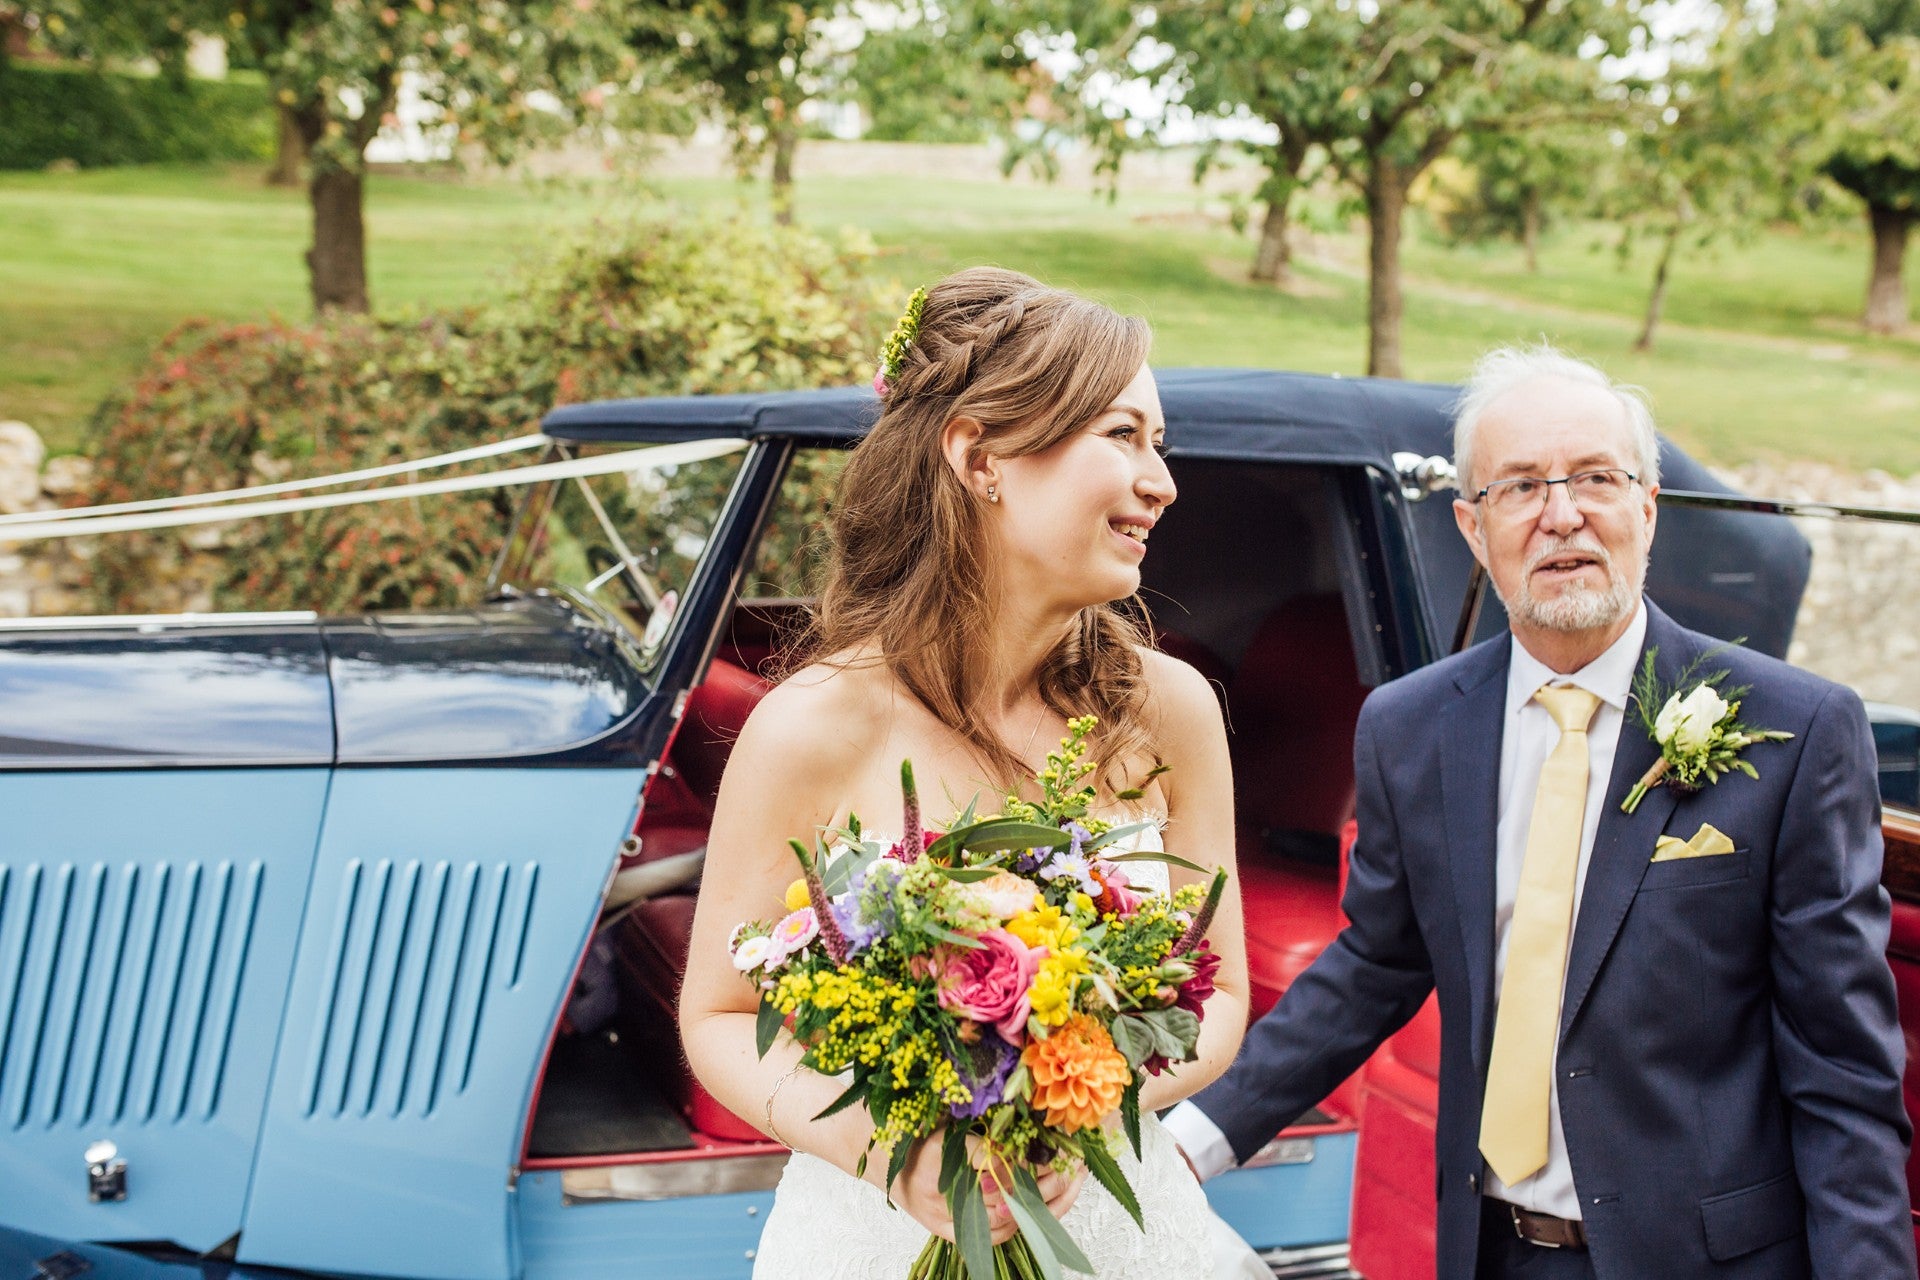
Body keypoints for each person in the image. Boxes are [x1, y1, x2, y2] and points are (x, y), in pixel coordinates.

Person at [1165, 343, 1915, 1279]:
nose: (1563, 515)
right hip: (1492, 1252)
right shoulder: (1409, 729)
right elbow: (1373, 966)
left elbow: (1842, 1075)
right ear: (1472, 530)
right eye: (1520, 488)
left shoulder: (1797, 729)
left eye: (1596, 477)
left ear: (1648, 507)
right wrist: (1193, 1141)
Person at [679, 267, 1254, 1278]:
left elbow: (1217, 996)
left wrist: (1066, 1095)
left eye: (1157, 444)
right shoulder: (811, 726)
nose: (1163, 481)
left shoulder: (1171, 710)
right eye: (1124, 435)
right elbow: (720, 1014)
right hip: (870, 1229)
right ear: (980, 453)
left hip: (1119, 1229)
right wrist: (896, 1147)